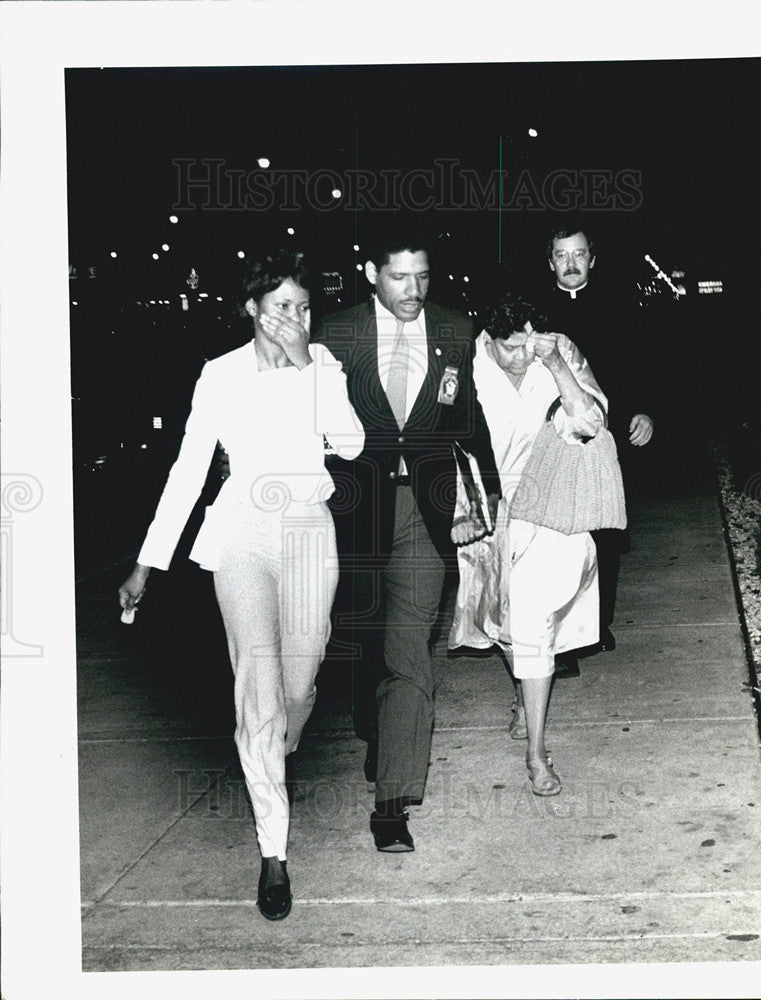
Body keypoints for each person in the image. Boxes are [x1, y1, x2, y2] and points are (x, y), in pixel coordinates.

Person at [118, 252, 364, 919]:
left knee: (297, 677)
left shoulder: (325, 368)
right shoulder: (220, 375)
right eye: (281, 305)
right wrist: (149, 560)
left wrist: (310, 367)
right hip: (242, 532)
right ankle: (274, 852)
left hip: (308, 527)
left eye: (303, 307)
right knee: (256, 691)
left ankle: (291, 716)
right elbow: (188, 469)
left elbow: (351, 444)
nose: (294, 318)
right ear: (253, 309)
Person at [314, 221, 500, 852]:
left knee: (409, 653)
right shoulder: (336, 335)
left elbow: (466, 416)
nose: (414, 288)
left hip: (424, 510)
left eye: (423, 275)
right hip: (352, 512)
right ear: (372, 273)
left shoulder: (454, 329)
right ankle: (373, 724)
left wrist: (491, 487)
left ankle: (392, 800)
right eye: (400, 276)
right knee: (362, 639)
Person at [455, 291, 606, 794]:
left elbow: (590, 423)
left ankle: (537, 753)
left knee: (535, 623)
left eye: (527, 346)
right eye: (508, 347)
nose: (519, 358)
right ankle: (523, 695)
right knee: (500, 622)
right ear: (487, 337)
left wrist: (557, 362)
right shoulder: (464, 360)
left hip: (548, 508)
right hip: (485, 508)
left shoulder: (558, 352)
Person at [537, 221, 654, 668]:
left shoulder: (621, 307)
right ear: (550, 262)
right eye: (562, 255)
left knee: (604, 532)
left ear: (592, 258)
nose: (570, 263)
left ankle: (597, 622)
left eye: (579, 254)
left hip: (608, 439)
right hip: (556, 441)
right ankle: (563, 637)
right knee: (562, 534)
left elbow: (643, 365)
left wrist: (644, 411)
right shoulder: (536, 314)